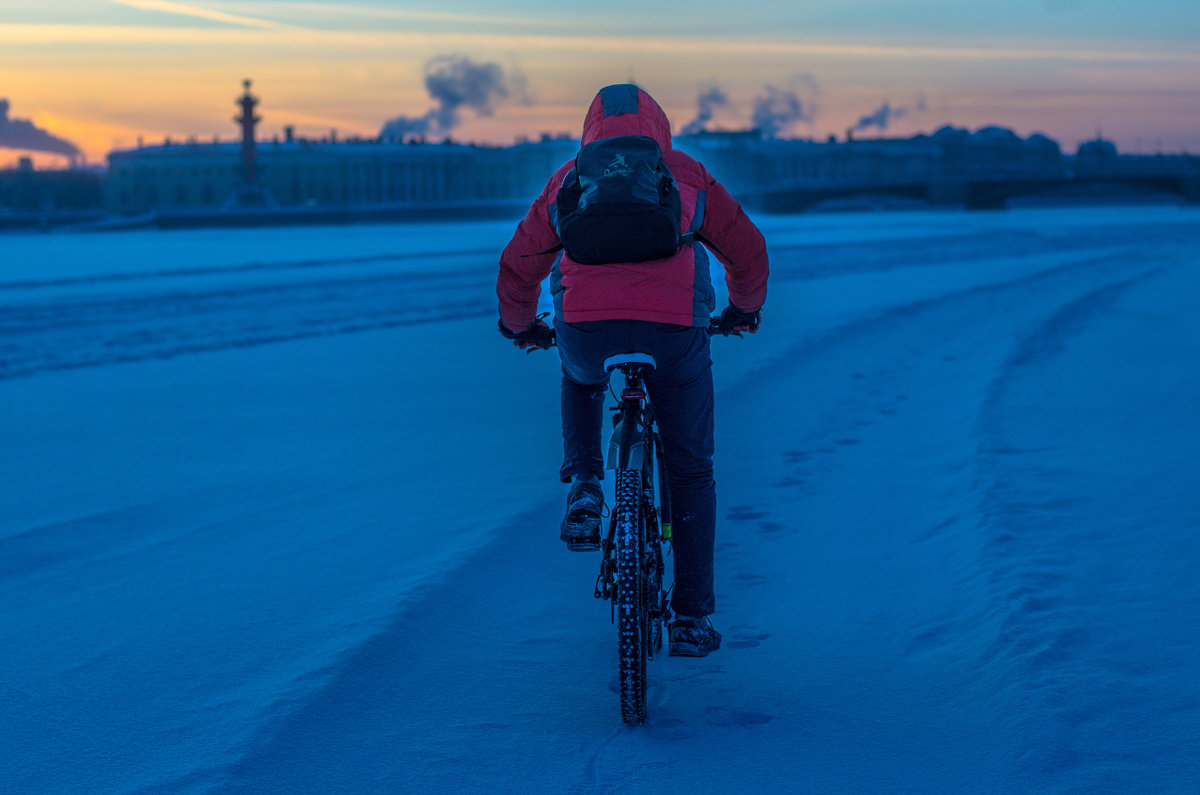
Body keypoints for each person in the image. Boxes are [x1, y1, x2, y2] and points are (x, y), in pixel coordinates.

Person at [496, 84, 769, 658]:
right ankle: (692, 618)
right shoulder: (685, 172)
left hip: (587, 329)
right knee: (692, 472)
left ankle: (588, 486)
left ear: (592, 126)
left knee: (581, 376)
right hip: (674, 334)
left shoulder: (570, 176)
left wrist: (521, 324)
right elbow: (746, 251)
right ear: (659, 124)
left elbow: (521, 262)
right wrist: (741, 309)